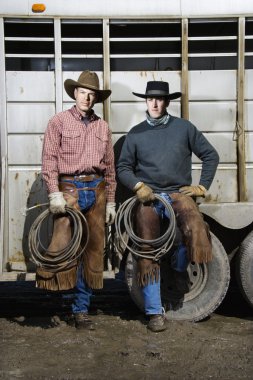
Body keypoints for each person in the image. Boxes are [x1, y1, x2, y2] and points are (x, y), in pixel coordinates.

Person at [116, 80, 219, 332]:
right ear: (146, 101)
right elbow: (123, 167)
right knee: (147, 243)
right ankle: (154, 312)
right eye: (150, 99)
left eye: (160, 99)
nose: (154, 103)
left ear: (167, 102)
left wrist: (201, 187)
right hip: (149, 197)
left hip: (177, 192)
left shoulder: (184, 128)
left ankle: (179, 268)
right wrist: (138, 186)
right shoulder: (136, 133)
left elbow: (210, 155)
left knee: (194, 226)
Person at [38, 70, 117, 330]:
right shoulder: (58, 122)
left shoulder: (103, 127)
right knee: (64, 246)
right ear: (75, 94)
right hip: (68, 188)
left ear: (96, 98)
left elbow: (110, 169)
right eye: (83, 92)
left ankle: (80, 309)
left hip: (96, 189)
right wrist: (53, 192)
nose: (87, 97)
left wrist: (112, 202)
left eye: (91, 94)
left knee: (92, 251)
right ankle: (60, 293)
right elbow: (49, 160)